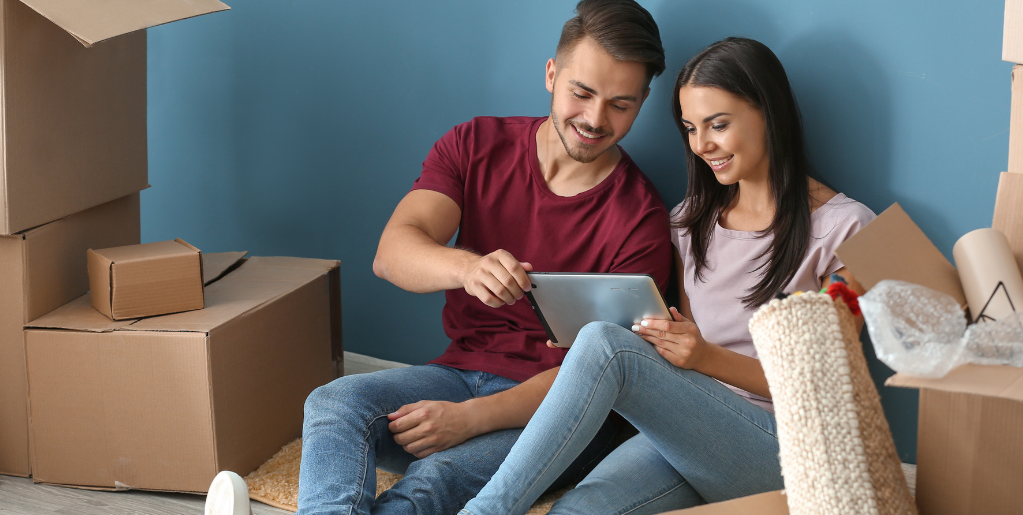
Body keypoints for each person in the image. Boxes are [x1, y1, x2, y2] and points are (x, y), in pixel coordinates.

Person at [203, 2, 672, 515]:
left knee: (435, 479)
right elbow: (393, 252)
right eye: (581, 93)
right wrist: (467, 268)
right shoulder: (475, 145)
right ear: (551, 75)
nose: (594, 119)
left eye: (620, 105)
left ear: (643, 101)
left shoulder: (641, 220)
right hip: (455, 373)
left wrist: (471, 417)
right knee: (332, 403)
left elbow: (599, 378)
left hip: (560, 417)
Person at [457, 37, 879, 515]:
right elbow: (676, 343)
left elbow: (822, 383)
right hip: (691, 427)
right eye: (691, 129)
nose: (702, 146)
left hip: (791, 451)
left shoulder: (851, 230)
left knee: (605, 344)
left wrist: (703, 357)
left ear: (769, 112)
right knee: (574, 511)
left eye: (718, 125)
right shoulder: (689, 222)